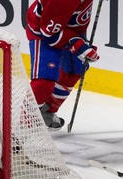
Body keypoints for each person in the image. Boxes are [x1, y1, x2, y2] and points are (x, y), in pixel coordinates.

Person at [26, 0, 99, 130]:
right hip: (44, 31)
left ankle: (46, 110)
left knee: (75, 69)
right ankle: (22, 124)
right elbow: (49, 34)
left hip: (70, 26)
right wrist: (77, 44)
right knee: (44, 82)